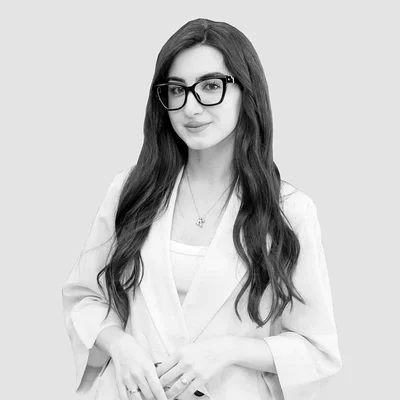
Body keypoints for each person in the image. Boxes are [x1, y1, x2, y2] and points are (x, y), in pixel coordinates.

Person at [62, 18, 342, 400]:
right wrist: (119, 345)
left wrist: (227, 351)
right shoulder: (130, 190)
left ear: (246, 92)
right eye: (177, 90)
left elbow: (316, 349)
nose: (190, 108)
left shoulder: (290, 211)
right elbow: (84, 298)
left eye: (211, 86)